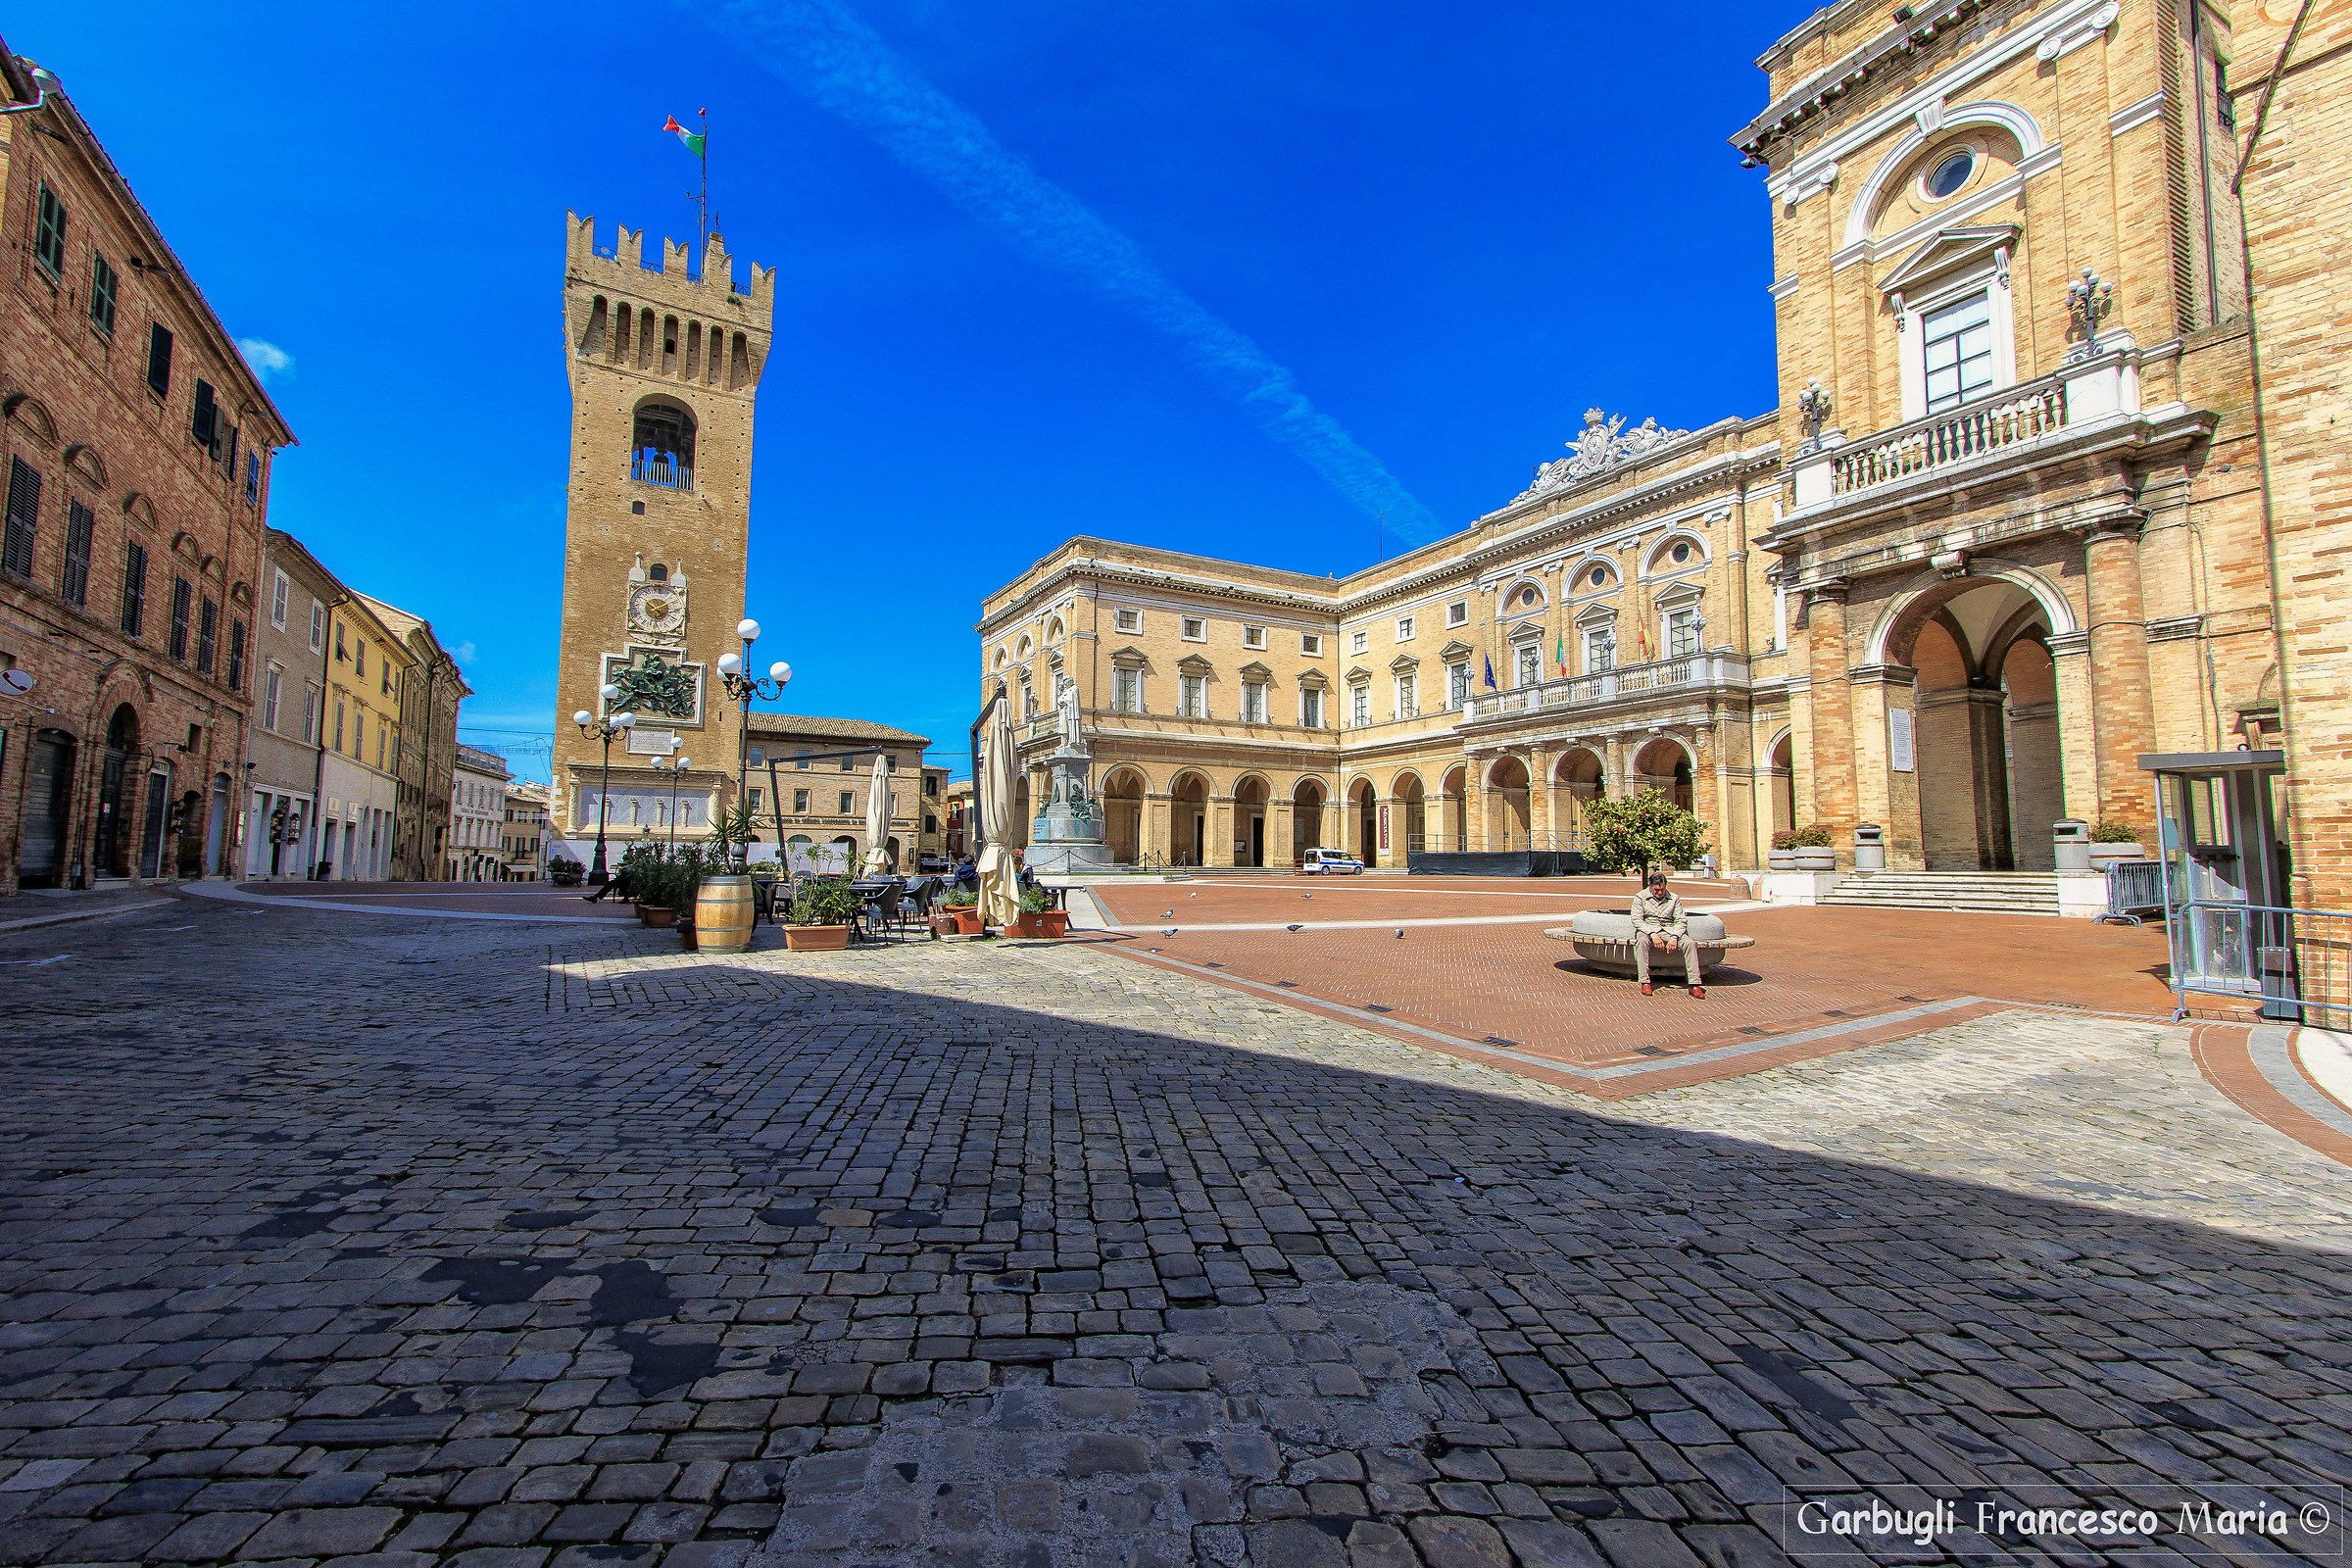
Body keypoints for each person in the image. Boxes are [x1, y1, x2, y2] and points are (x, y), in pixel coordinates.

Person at [1632, 868, 1703, 998]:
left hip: (1670, 929)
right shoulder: (1640, 897)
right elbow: (1637, 920)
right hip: (1648, 929)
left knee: (1690, 944)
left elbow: (1681, 920)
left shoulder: (1674, 898)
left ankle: (1694, 984)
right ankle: (1645, 981)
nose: (1659, 892)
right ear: (1650, 887)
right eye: (1656, 890)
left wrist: (1675, 936)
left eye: (1662, 889)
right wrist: (1652, 934)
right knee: (1641, 942)